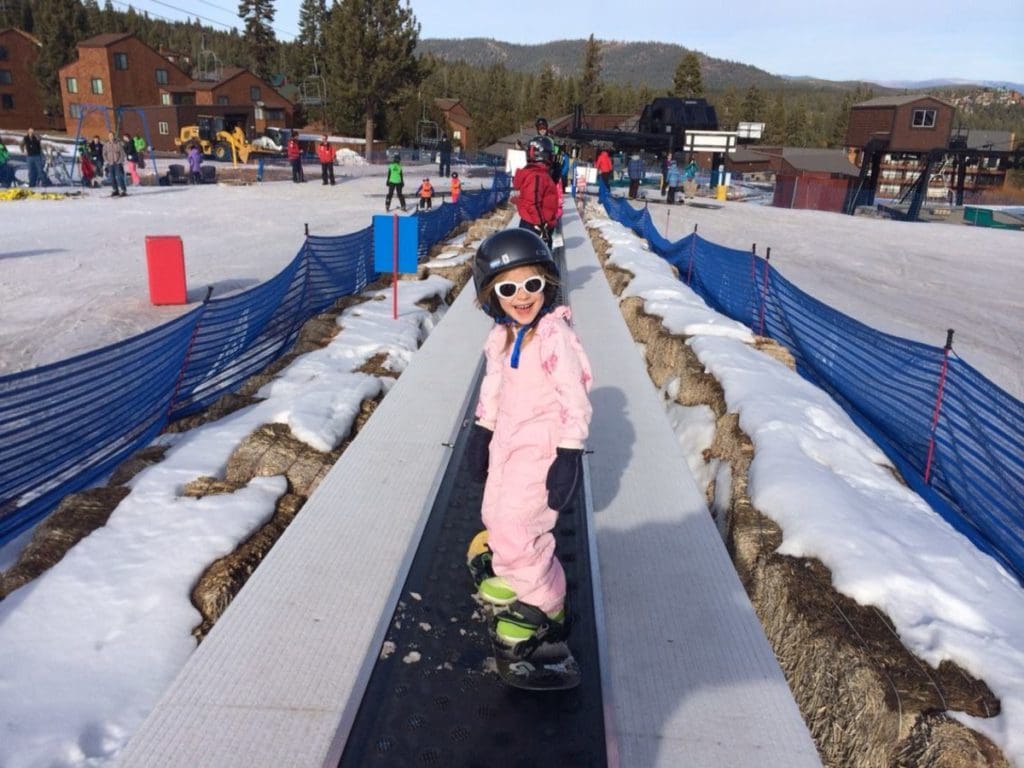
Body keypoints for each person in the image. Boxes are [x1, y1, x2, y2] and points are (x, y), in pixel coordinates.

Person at [466, 227, 593, 651]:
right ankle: (516, 572)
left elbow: (574, 394)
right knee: (494, 513)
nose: (522, 297)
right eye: (508, 288)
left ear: (548, 284)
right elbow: (494, 388)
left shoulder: (554, 336)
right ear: (492, 296)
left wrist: (569, 453)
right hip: (506, 440)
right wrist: (482, 432)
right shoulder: (501, 336)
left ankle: (547, 603)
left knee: (519, 524)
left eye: (532, 284)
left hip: (541, 446)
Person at [512, 136, 560, 246]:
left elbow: (545, 191)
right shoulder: (536, 175)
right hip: (535, 225)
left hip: (538, 223)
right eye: (550, 154)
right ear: (543, 155)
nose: (552, 157)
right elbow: (532, 202)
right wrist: (541, 226)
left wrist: (556, 174)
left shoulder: (540, 173)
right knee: (538, 258)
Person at [102, 130, 127, 197]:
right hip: (110, 163)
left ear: (114, 136)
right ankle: (115, 190)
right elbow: (104, 153)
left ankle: (123, 190)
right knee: (112, 178)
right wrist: (107, 161)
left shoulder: (118, 143)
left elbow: (122, 153)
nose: (111, 137)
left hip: (117, 163)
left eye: (112, 135)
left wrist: (120, 161)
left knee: (119, 177)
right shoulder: (106, 144)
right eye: (110, 136)